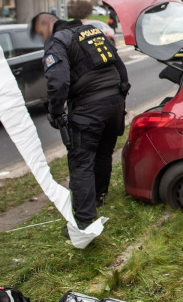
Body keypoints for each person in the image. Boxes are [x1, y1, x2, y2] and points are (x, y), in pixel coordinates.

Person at [30, 12, 129, 231]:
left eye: (39, 32)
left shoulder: (58, 41)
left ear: (47, 23)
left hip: (89, 107)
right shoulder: (93, 32)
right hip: (114, 103)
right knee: (103, 153)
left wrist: (55, 111)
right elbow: (119, 64)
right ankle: (99, 197)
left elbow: (58, 82)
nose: (41, 37)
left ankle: (84, 220)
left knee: (81, 162)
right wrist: (121, 95)